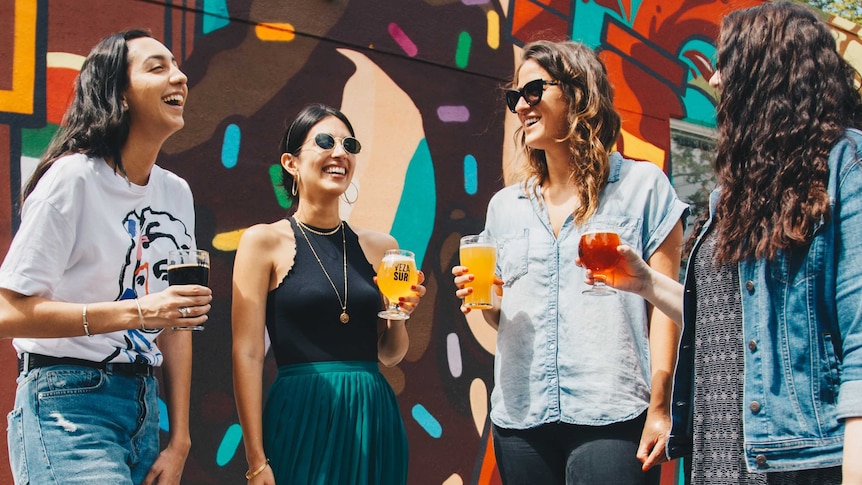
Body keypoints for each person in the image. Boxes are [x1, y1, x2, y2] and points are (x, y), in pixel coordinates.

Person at [580, 2, 862, 483]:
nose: (714, 81)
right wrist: (647, 282)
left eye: (726, 64)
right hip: (720, 450)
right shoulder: (732, 195)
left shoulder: (844, 168)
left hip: (799, 460)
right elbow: (724, 320)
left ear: (768, 70)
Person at [452, 40, 688, 484]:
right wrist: (485, 303)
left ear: (579, 93)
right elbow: (507, 315)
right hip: (521, 421)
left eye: (533, 91)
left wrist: (661, 406)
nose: (521, 106)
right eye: (514, 97)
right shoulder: (505, 207)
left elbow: (664, 309)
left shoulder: (643, 187)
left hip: (614, 415)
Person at [0, 30, 210, 484]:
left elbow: (176, 325)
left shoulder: (176, 193)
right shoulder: (72, 179)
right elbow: (6, 312)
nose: (180, 76)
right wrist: (138, 311)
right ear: (119, 93)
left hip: (143, 408)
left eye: (177, 66)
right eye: (158, 68)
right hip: (66, 401)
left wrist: (180, 441)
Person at [231, 103, 425, 484]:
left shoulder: (384, 247)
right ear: (291, 163)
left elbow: (390, 354)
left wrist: (399, 314)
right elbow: (248, 353)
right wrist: (256, 460)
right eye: (324, 141)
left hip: (372, 415)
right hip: (301, 414)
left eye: (348, 144)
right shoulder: (262, 241)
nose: (340, 153)